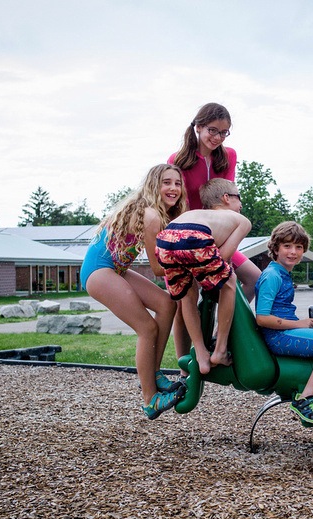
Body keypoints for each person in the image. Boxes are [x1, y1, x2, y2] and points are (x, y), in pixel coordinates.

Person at [80, 163, 186, 421]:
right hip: (99, 272)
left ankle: (155, 372)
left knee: (166, 304)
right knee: (147, 328)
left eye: (177, 183)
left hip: (115, 269)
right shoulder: (151, 216)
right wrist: (193, 266)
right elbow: (158, 268)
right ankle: (150, 399)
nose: (173, 188)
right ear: (153, 185)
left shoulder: (151, 212)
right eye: (166, 182)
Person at [168, 103, 262, 364]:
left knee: (254, 278)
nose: (218, 138)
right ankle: (184, 362)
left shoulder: (228, 156)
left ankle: (220, 334)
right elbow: (178, 204)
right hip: (190, 238)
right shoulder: (178, 161)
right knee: (183, 296)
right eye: (213, 130)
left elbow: (225, 196)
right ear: (197, 127)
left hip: (218, 235)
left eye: (224, 132)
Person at [254, 221, 313, 427]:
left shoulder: (281, 273)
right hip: (279, 337)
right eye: (287, 246)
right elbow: (262, 318)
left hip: (286, 332)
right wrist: (299, 323)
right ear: (276, 248)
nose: (293, 252)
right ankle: (305, 397)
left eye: (299, 247)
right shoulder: (272, 276)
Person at [155, 178, 251, 375]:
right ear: (226, 198)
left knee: (187, 296)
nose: (241, 205)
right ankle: (220, 350)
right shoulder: (241, 220)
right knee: (229, 282)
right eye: (239, 198)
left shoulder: (194, 213)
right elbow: (223, 257)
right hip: (195, 236)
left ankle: (200, 354)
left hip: (166, 238)